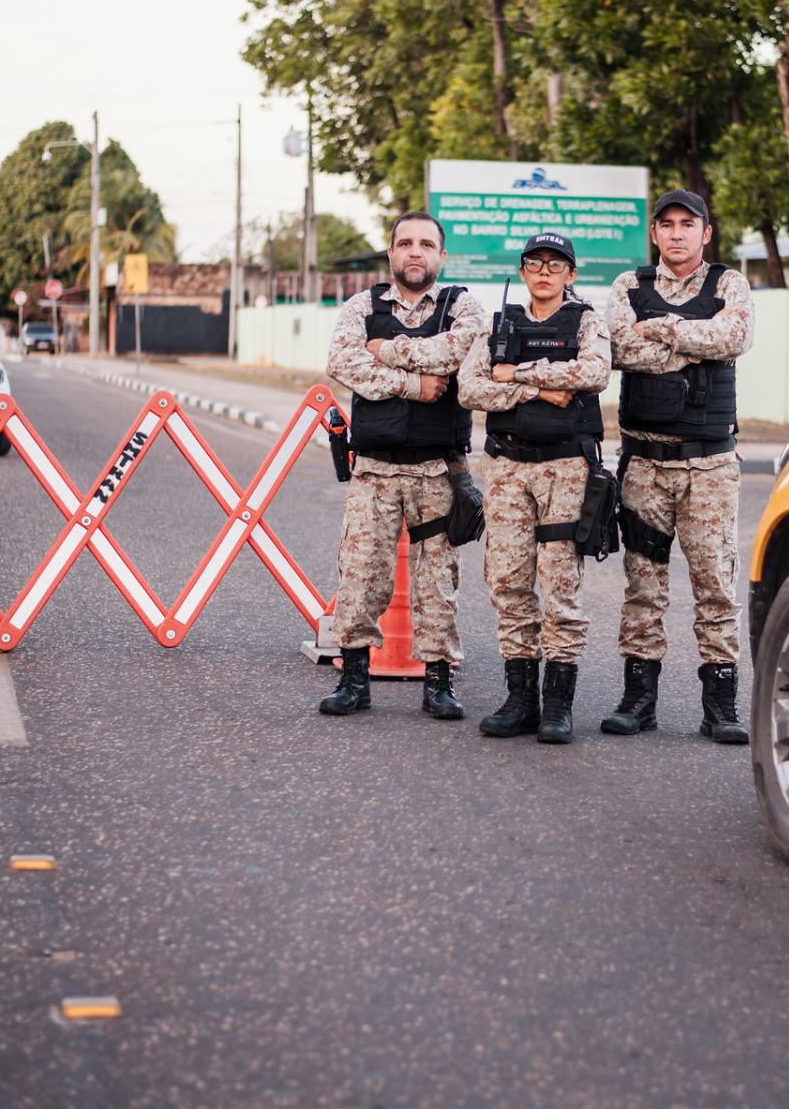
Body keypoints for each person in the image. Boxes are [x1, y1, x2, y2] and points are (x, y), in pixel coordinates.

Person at [317, 211, 485, 721]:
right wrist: (414, 383)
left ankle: (438, 683)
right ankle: (353, 679)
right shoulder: (360, 306)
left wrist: (386, 351)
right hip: (374, 469)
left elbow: (461, 350)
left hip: (438, 469)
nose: (415, 252)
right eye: (405, 243)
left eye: (426, 244)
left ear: (441, 255)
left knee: (438, 580)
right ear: (391, 253)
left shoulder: (463, 306)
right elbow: (343, 362)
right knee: (361, 575)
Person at [604, 189, 756, 744]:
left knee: (715, 584)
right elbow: (621, 349)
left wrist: (662, 329)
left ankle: (720, 706)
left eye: (686, 224)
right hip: (645, 461)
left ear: (705, 233)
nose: (675, 233)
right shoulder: (629, 286)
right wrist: (696, 339)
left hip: (710, 465)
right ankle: (637, 700)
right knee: (643, 585)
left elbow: (734, 336)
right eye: (665, 224)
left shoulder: (729, 284)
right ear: (654, 233)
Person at [458, 232, 611, 744]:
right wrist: (541, 387)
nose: (544, 271)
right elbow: (469, 388)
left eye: (555, 264)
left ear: (571, 273)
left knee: (560, 583)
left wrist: (515, 372)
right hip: (506, 469)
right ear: (523, 272)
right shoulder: (499, 324)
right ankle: (520, 699)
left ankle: (558, 706)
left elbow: (593, 373)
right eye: (534, 263)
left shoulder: (586, 320)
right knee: (507, 581)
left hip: (566, 468)